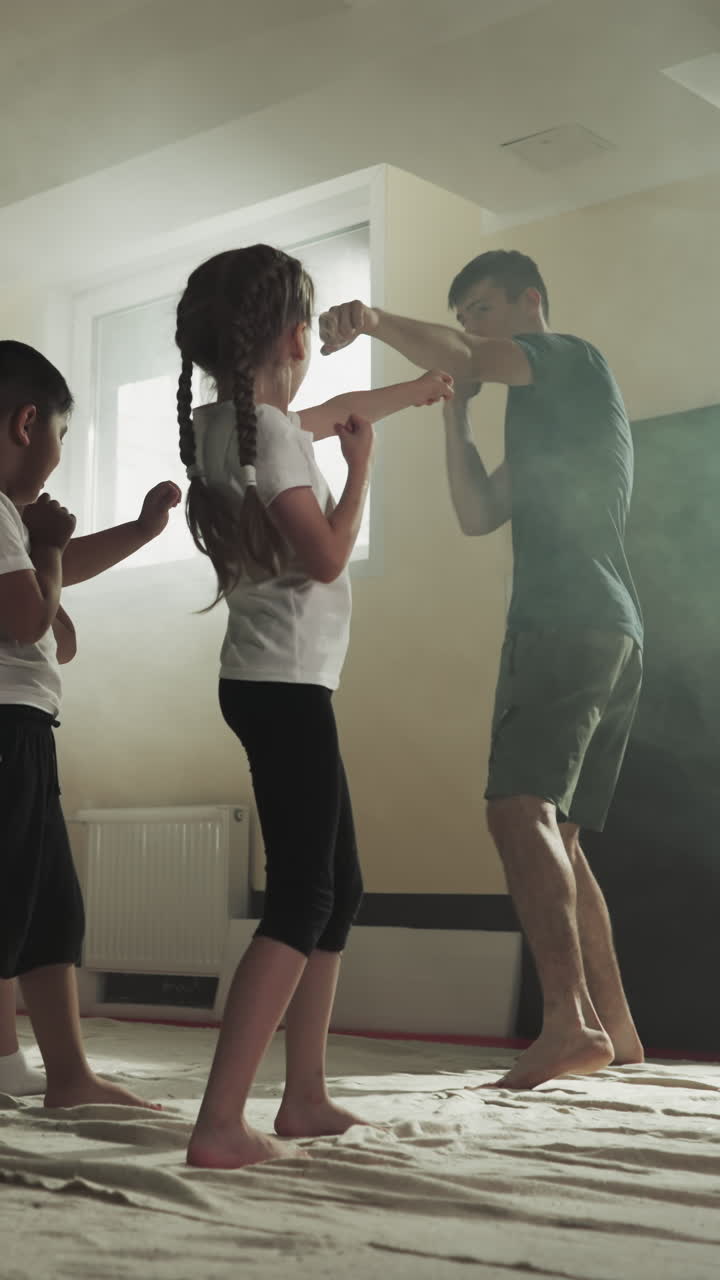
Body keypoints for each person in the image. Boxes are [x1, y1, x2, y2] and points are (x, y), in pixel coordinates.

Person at [319, 250, 645, 1090]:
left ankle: (567, 1024)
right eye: (460, 313)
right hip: (604, 628)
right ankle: (616, 1029)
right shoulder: (547, 421)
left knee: (514, 810)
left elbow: (461, 359)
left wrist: (373, 320)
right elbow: (474, 513)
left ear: (531, 303)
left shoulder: (570, 357)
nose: (469, 326)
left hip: (569, 619)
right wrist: (453, 418)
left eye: (482, 309)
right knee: (558, 836)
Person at [175, 245, 453, 1167]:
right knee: (304, 895)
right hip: (286, 688)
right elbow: (327, 555)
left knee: (340, 888)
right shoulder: (277, 437)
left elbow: (333, 415)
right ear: (295, 334)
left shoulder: (228, 424)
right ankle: (220, 1123)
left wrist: (411, 394)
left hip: (268, 683)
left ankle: (303, 1098)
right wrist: (363, 471)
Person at [0, 338, 180, 1106]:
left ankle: (68, 1075)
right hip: (6, 731)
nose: (60, 455)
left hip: (27, 729)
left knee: (48, 908)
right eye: (63, 438)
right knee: (9, 902)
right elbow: (26, 619)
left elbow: (49, 604)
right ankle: (13, 1067)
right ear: (28, 423)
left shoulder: (11, 517)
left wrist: (138, 534)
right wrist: (45, 556)